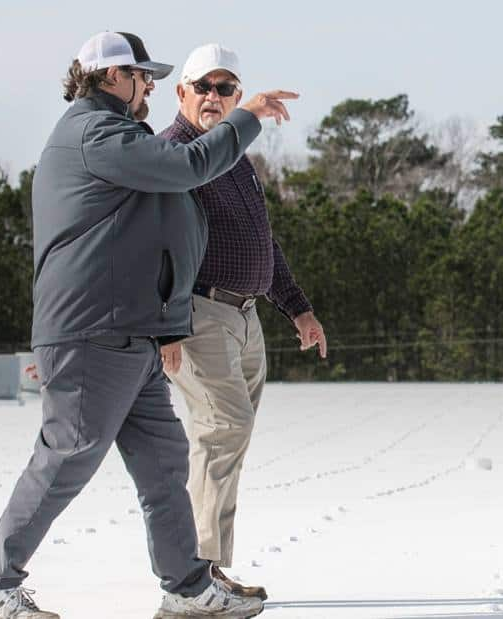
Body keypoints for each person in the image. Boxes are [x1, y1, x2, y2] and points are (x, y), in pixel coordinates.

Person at [0, 30, 296, 619]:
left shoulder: (114, 137)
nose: (151, 87)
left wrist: (164, 327)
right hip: (94, 332)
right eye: (143, 76)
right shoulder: (96, 134)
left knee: (164, 462)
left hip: (128, 334)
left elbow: (155, 238)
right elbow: (190, 164)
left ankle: (187, 587)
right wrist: (246, 117)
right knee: (67, 456)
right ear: (112, 77)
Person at [155, 43, 329, 602]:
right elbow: (151, 246)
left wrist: (298, 308)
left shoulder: (236, 158)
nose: (213, 97)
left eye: (224, 88)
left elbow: (262, 242)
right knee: (222, 429)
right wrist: (167, 322)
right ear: (180, 92)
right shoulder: (173, 153)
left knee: (230, 437)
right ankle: (194, 576)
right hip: (197, 314)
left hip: (245, 316)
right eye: (202, 86)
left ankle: (208, 568)